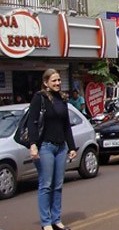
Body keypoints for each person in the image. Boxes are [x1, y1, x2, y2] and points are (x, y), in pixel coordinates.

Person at [27, 69, 76, 230]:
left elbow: (66, 125)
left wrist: (72, 147)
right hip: (45, 147)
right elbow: (32, 122)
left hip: (61, 147)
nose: (57, 83)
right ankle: (46, 223)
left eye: (59, 80)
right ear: (46, 83)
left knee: (58, 184)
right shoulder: (39, 98)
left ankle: (56, 220)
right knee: (46, 184)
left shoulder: (62, 99)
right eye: (54, 81)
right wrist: (33, 144)